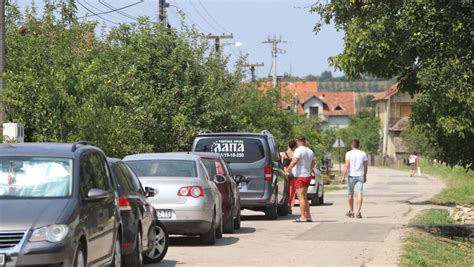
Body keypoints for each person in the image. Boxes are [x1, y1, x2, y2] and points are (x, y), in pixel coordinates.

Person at [286, 135, 315, 222]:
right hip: (307, 176)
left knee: (300, 197)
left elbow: (294, 161)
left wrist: (287, 170)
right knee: (305, 197)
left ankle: (302, 217)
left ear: (298, 141)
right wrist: (309, 171)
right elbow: (313, 163)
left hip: (300, 176)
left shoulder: (298, 150)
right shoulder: (310, 151)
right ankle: (308, 216)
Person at [341, 139, 368, 219]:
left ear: (352, 145)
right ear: (358, 145)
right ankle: (358, 212)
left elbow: (346, 165)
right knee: (359, 193)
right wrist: (365, 176)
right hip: (360, 176)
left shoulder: (348, 153)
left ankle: (351, 211)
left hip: (351, 176)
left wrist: (343, 176)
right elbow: (366, 166)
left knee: (350, 194)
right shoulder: (363, 154)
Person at [280, 140, 297, 214]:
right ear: (294, 147)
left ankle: (285, 205)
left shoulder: (283, 154)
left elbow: (281, 164)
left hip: (284, 174)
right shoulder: (294, 155)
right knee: (291, 192)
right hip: (292, 175)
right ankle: (290, 206)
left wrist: (284, 170)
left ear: (288, 145)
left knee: (285, 191)